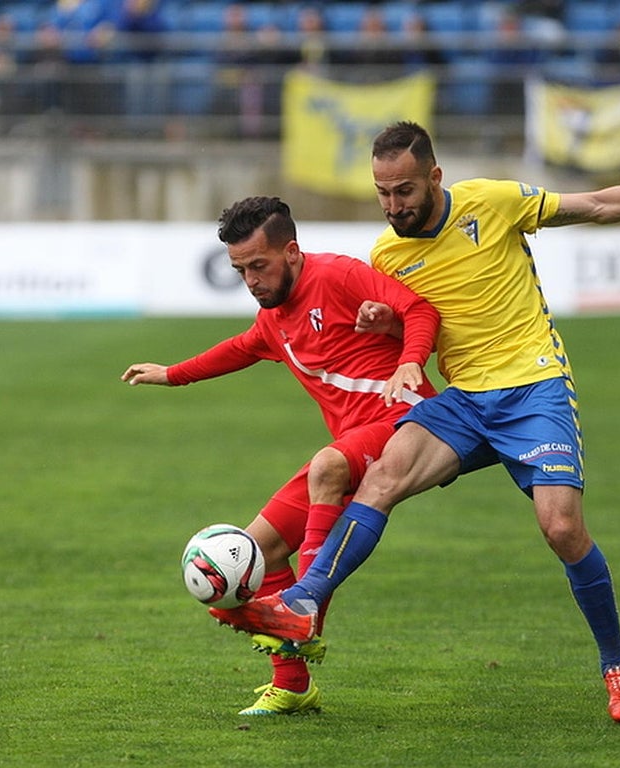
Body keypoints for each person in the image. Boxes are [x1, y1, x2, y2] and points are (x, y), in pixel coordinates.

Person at [209, 121, 620, 723]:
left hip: (533, 388)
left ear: (434, 177)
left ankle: (616, 665)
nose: (393, 205)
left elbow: (597, 204)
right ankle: (305, 602)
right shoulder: (387, 255)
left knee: (561, 528)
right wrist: (385, 325)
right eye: (383, 193)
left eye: (404, 191)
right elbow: (415, 319)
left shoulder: (492, 202)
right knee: (380, 477)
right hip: (465, 400)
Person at [121, 196, 440, 715]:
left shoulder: (338, 275)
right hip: (355, 438)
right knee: (258, 550)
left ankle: (305, 612)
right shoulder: (274, 318)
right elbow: (243, 347)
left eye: (258, 266)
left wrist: (410, 360)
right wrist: (172, 374)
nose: (251, 280)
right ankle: (293, 685)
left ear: (291, 251)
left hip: (405, 420)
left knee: (327, 466)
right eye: (240, 270)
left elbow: (419, 309)